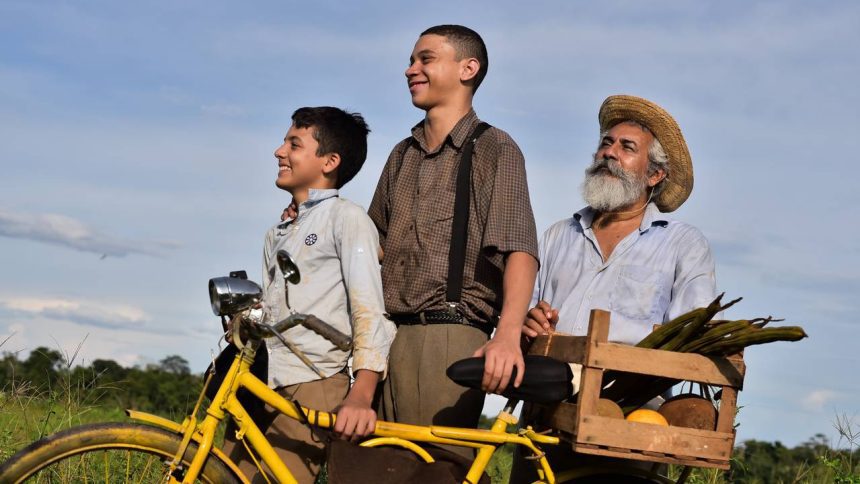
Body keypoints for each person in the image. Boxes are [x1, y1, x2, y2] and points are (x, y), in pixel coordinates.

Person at [513, 94, 718, 482]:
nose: (609, 153)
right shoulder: (560, 234)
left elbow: (686, 336)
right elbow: (526, 308)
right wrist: (529, 322)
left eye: (627, 148)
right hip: (544, 409)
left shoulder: (682, 243)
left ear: (655, 175)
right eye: (606, 143)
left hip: (628, 416)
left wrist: (604, 338)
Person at [367, 24, 539, 453]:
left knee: (433, 471)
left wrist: (507, 335)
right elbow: (373, 244)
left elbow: (520, 248)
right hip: (386, 335)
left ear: (468, 68)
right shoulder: (401, 153)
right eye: (411, 61)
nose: (411, 69)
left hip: (449, 334)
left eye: (425, 59)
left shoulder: (494, 148)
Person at [223, 106, 396, 484]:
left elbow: (368, 309)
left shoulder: (347, 219)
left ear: (329, 161)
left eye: (294, 144)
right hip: (265, 374)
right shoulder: (279, 232)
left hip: (315, 378)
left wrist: (361, 393)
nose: (279, 151)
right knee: (221, 473)